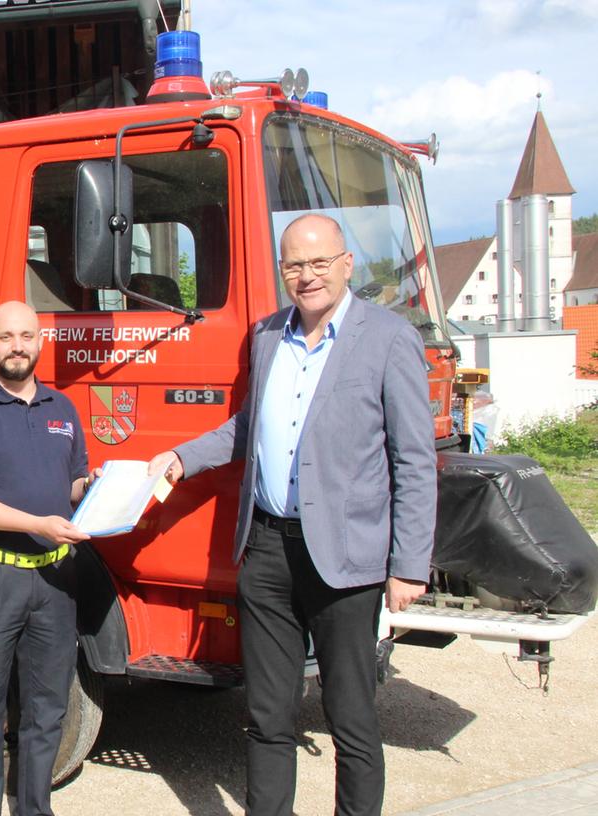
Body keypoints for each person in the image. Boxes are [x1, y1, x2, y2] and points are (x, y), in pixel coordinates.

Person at [148, 214, 436, 816]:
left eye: (319, 263)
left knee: (351, 721)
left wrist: (409, 564)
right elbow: (250, 428)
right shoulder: (268, 335)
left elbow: (413, 459)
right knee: (267, 716)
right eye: (294, 266)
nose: (307, 277)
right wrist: (181, 456)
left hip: (345, 559)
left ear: (346, 264)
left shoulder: (386, 338)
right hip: (268, 550)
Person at [0, 300, 97, 816]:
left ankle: (35, 808)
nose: (17, 346)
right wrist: (36, 525)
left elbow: (72, 484)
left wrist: (100, 490)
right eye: (6, 337)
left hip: (54, 581)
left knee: (47, 708)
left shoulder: (63, 410)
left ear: (40, 343)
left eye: (27, 336)